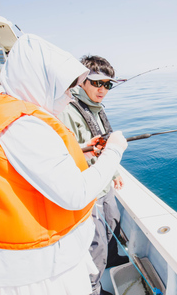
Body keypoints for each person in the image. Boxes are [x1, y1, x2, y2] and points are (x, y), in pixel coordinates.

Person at [0, 34, 128, 295]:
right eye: (66, 88)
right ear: (41, 80)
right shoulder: (22, 124)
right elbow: (76, 194)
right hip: (40, 266)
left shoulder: (9, 112)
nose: (69, 97)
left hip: (41, 256)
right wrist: (113, 151)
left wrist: (83, 150)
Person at [58, 55, 127, 295]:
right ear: (82, 81)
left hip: (104, 183)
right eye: (97, 82)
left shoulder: (96, 109)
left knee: (113, 223)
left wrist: (114, 171)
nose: (103, 89)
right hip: (88, 189)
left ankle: (113, 259)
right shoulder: (67, 110)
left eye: (108, 84)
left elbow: (103, 145)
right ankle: (92, 288)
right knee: (95, 243)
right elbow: (65, 155)